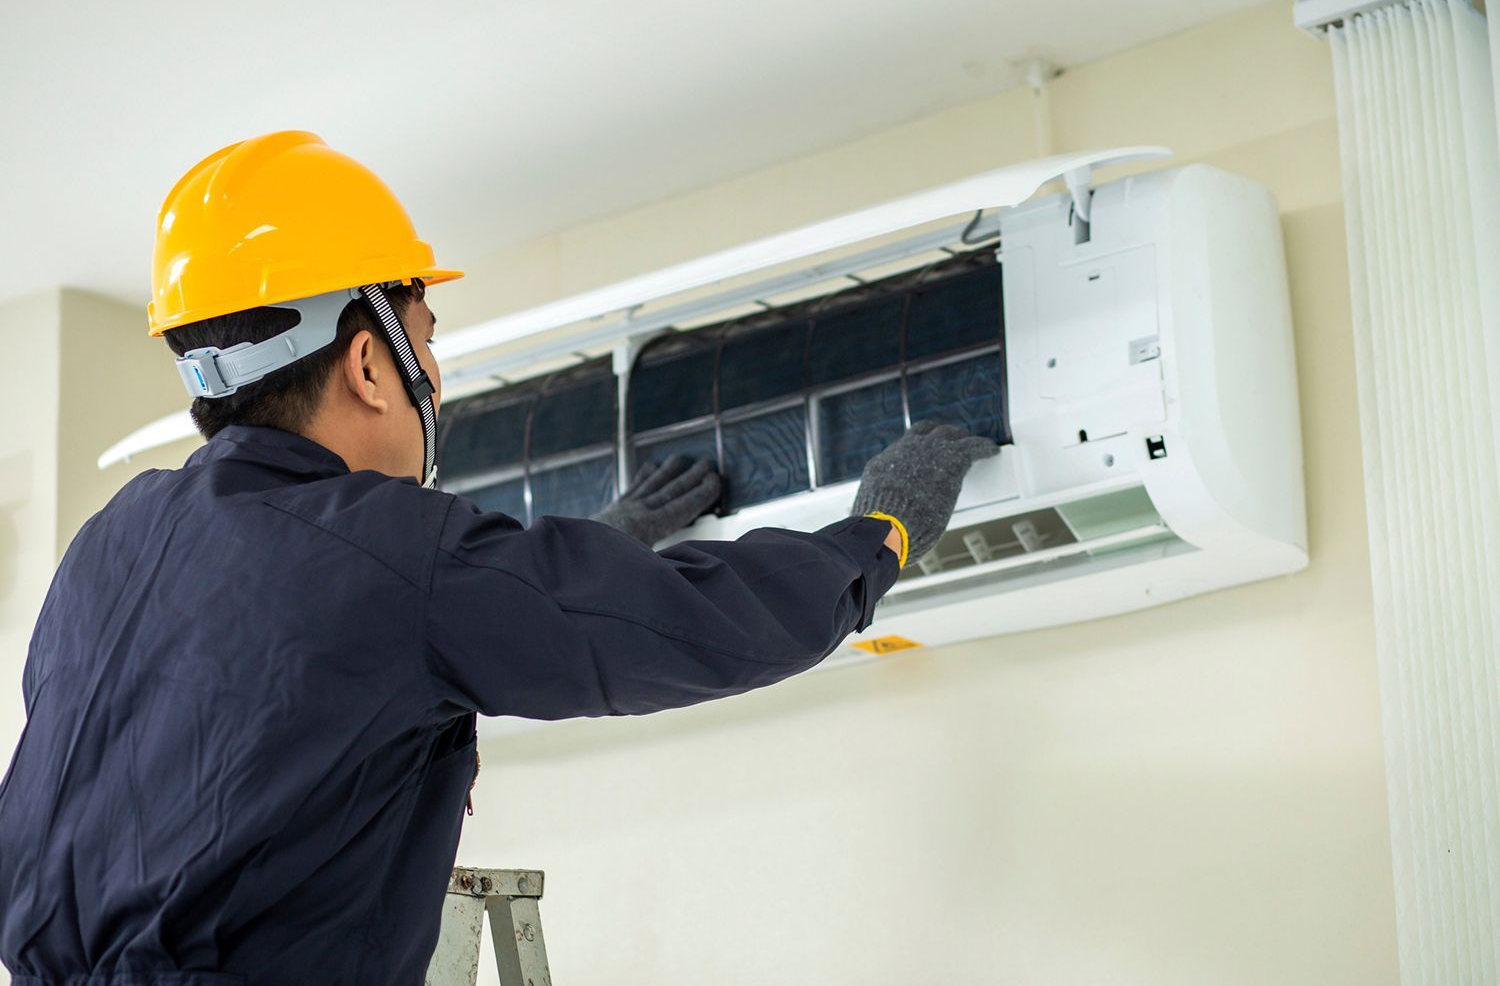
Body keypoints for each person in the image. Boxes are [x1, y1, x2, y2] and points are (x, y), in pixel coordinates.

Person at [0, 131, 998, 985]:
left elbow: (293, 695)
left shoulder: (108, 547)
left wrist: (588, 553)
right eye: (425, 344)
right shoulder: (382, 548)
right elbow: (692, 625)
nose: (436, 376)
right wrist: (878, 536)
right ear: (365, 363)